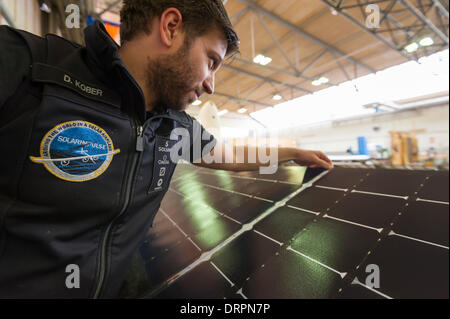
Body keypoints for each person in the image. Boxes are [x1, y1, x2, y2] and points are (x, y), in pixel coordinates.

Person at [0, 0, 332, 298]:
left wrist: (290, 152)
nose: (211, 85)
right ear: (171, 27)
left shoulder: (175, 127)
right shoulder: (27, 66)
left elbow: (228, 155)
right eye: (211, 61)